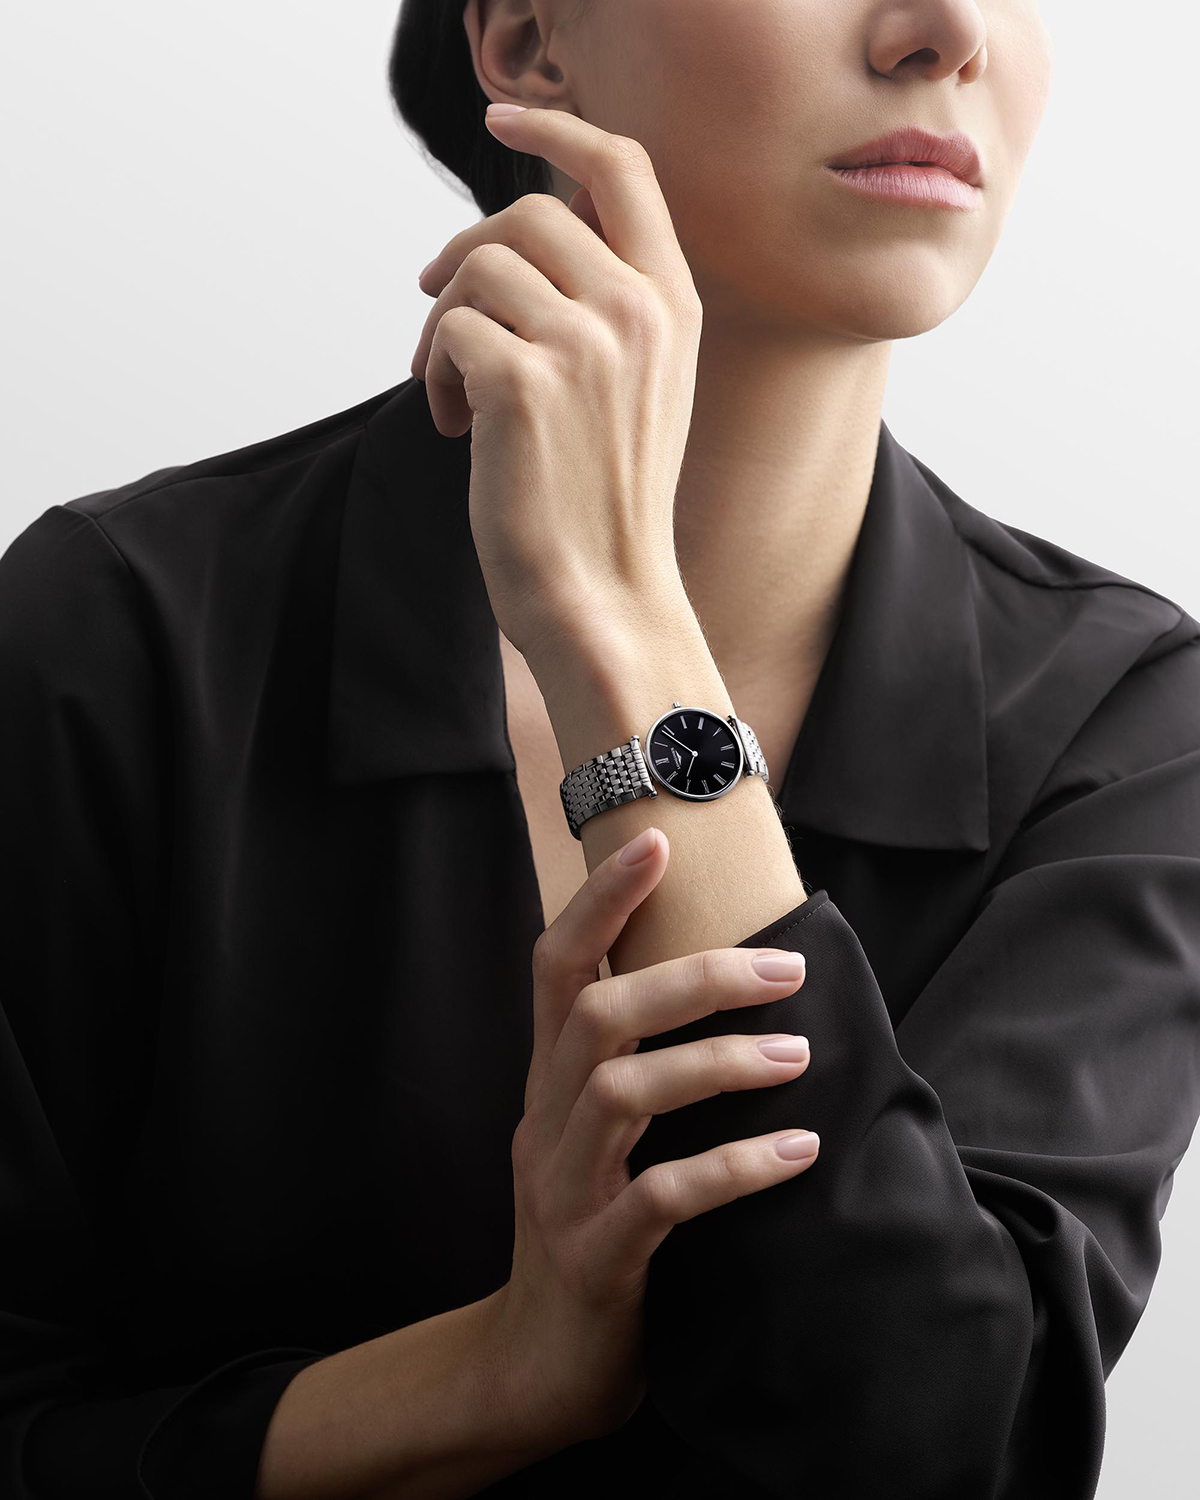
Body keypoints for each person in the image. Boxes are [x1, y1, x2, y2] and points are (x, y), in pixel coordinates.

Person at [2, 2, 1197, 1498]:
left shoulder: (1127, 719)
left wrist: (617, 621)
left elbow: (942, 1451)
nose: (948, 31)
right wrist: (487, 1380)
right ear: (523, 39)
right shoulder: (115, 635)